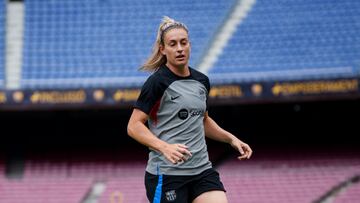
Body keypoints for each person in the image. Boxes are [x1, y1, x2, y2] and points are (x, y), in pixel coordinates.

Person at [127, 16, 252, 203]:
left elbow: (203, 120)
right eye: (173, 44)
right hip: (167, 175)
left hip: (202, 171)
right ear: (163, 49)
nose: (179, 48)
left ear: (189, 45)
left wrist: (231, 138)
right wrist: (164, 147)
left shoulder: (202, 81)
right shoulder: (157, 82)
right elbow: (134, 126)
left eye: (183, 43)